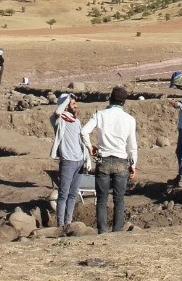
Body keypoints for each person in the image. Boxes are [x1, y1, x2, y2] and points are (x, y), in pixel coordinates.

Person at [82, 87, 138, 233]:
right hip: (121, 161)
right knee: (119, 199)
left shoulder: (100, 115)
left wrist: (89, 147)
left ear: (110, 99)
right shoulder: (130, 119)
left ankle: (102, 231)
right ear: (124, 102)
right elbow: (132, 146)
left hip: (103, 161)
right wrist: (133, 164)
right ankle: (117, 232)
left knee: (102, 199)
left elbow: (84, 131)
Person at [51, 94, 87, 227]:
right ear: (66, 106)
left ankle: (69, 222)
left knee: (73, 194)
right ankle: (61, 225)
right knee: (63, 194)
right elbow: (57, 112)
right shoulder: (58, 120)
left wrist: (86, 159)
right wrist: (67, 99)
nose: (76, 106)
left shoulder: (76, 121)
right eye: (73, 103)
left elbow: (81, 141)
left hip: (79, 161)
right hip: (68, 161)